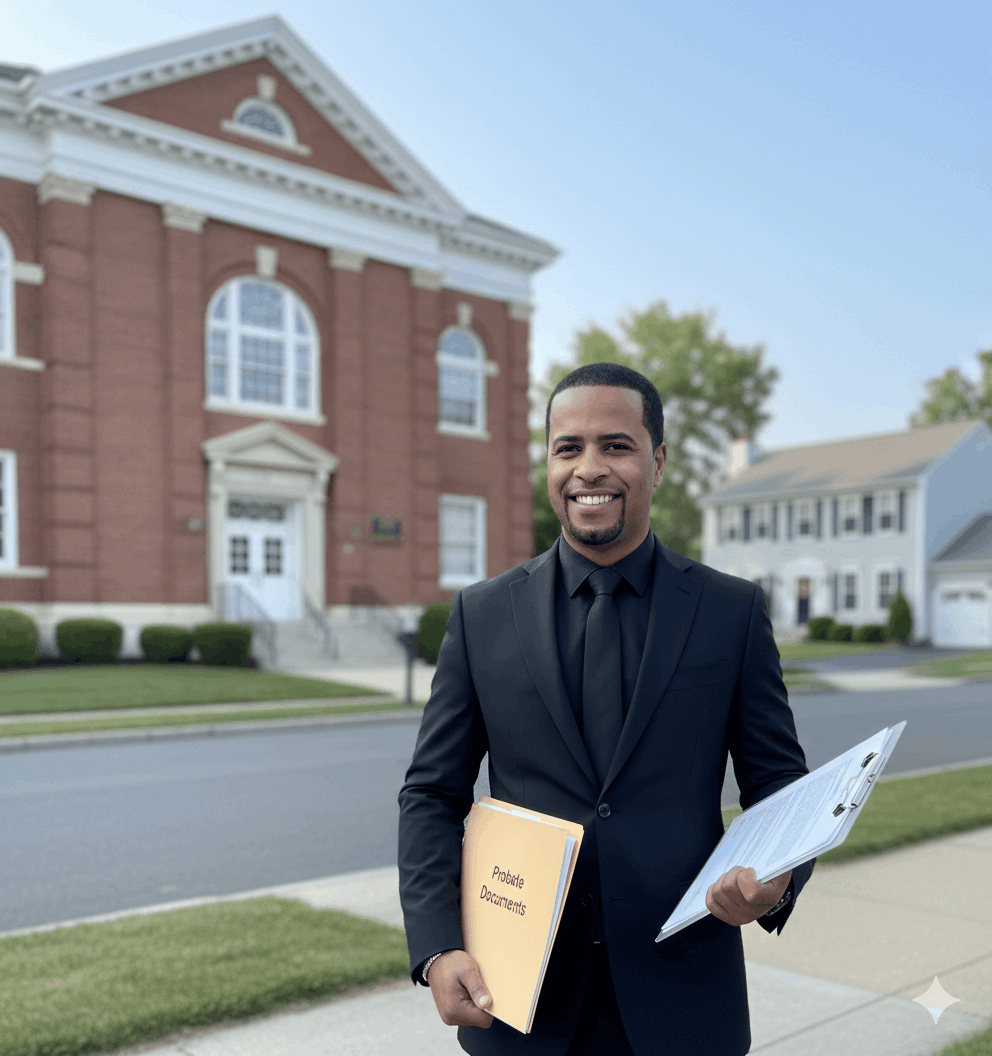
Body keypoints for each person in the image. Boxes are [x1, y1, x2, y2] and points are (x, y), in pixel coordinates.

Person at [398, 362, 815, 1056]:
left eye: (615, 446)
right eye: (569, 448)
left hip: (683, 997)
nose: (589, 468)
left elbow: (778, 784)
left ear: (657, 462)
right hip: (519, 1001)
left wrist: (777, 877)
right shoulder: (481, 615)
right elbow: (430, 795)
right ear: (550, 465)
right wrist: (439, 947)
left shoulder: (730, 612)